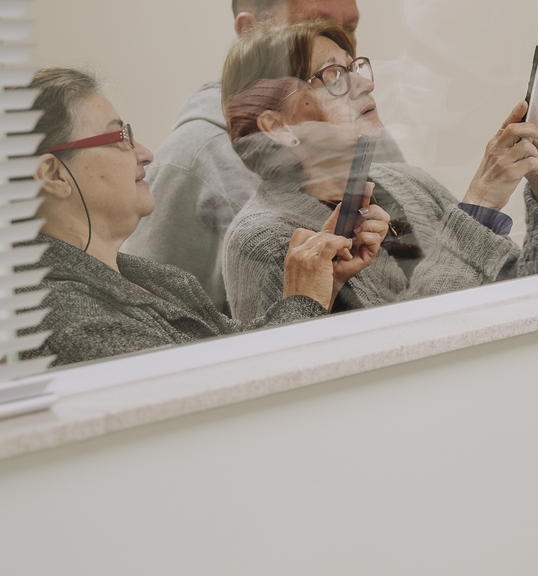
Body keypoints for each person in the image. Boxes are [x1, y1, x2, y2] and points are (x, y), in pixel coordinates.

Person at [219, 20, 538, 321]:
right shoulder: (261, 241)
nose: (366, 83)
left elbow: (532, 304)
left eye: (354, 67)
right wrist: (478, 205)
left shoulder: (409, 183)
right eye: (333, 76)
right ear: (278, 127)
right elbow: (402, 352)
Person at [25, 67, 387, 368]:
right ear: (53, 175)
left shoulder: (153, 278)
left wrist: (321, 285)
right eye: (119, 136)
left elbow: (232, 352)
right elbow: (228, 394)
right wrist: (303, 302)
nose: (145, 153)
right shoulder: (59, 315)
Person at [125, 0, 360, 310]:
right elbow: (152, 316)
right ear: (250, 31)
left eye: (351, 27)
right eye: (317, 25)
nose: (343, 47)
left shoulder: (350, 131)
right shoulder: (190, 159)